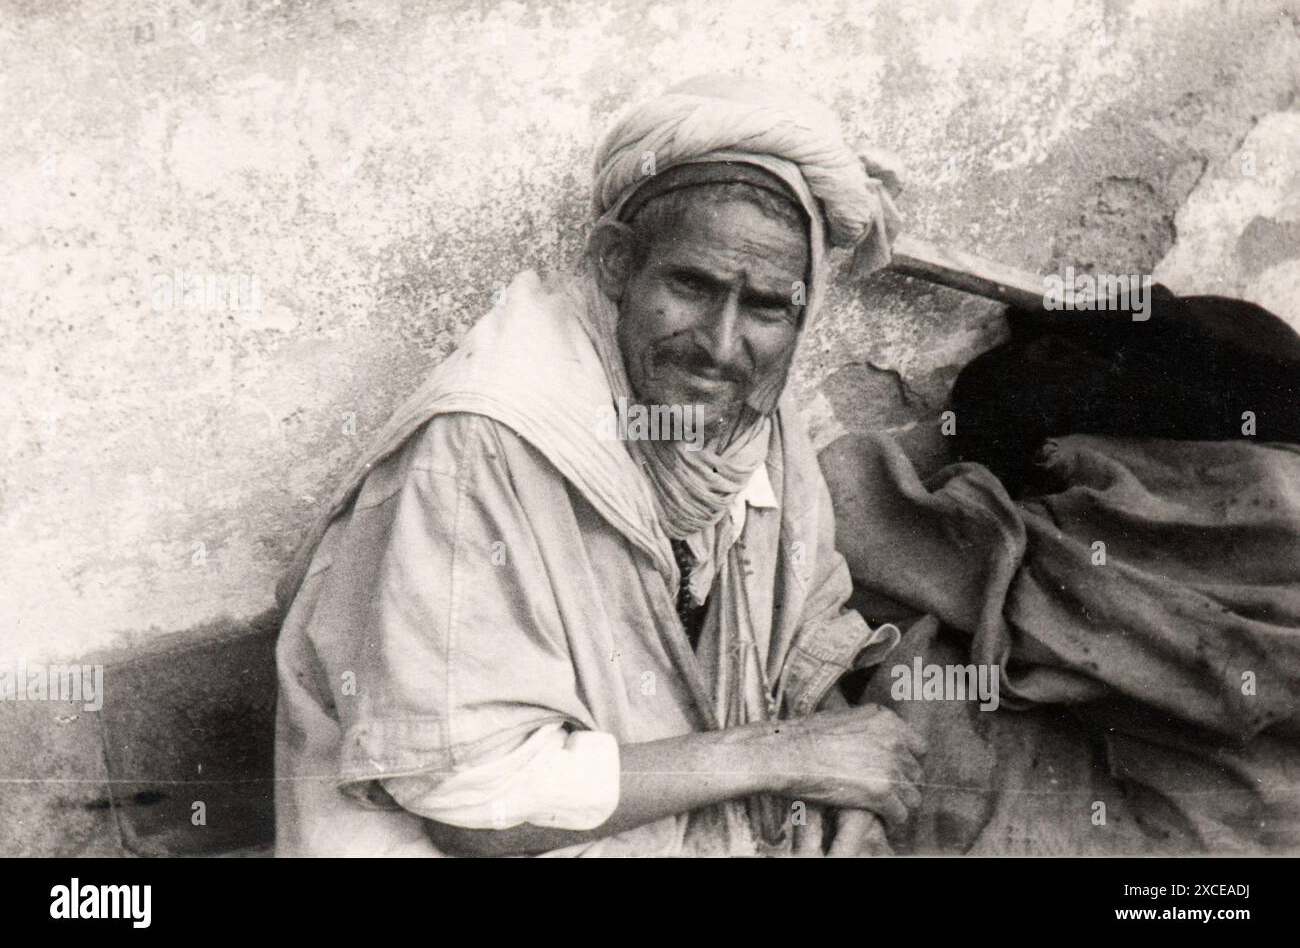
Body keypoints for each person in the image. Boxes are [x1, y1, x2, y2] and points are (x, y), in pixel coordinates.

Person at [273, 74, 924, 857]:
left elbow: (801, 634)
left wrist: (848, 776)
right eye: (691, 285)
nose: (720, 345)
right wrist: (785, 754)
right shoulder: (484, 444)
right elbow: (469, 803)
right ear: (616, 264)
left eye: (765, 307)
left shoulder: (751, 409)